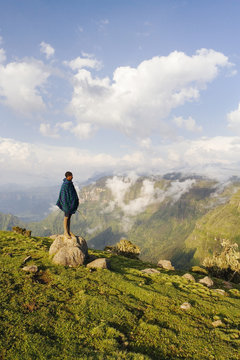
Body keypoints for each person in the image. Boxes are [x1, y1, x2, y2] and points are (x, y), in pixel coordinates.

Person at [56, 171, 79, 238]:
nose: (72, 177)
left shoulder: (70, 183)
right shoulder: (65, 185)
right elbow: (63, 195)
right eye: (71, 176)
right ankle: (65, 232)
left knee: (69, 217)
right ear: (68, 176)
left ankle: (69, 231)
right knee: (66, 217)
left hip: (71, 204)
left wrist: (75, 201)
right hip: (67, 204)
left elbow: (72, 193)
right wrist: (65, 204)